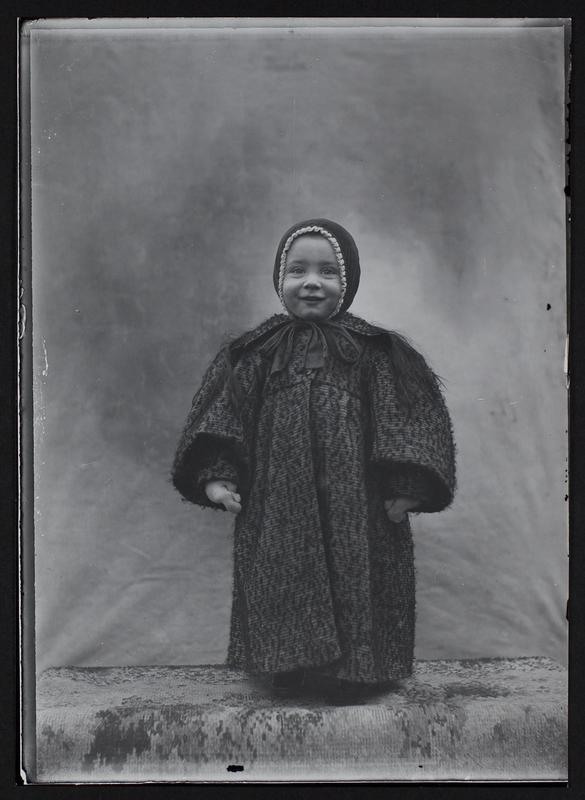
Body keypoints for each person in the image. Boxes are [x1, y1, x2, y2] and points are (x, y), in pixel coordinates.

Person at [172, 218, 455, 689]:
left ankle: (357, 674)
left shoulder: (373, 352)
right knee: (282, 576)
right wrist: (217, 474)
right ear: (279, 279)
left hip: (357, 504)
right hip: (278, 501)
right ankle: (288, 670)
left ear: (348, 282)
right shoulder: (257, 353)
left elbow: (405, 419)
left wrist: (407, 487)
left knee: (356, 577)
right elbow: (225, 415)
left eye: (328, 272)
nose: (311, 282)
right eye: (297, 270)